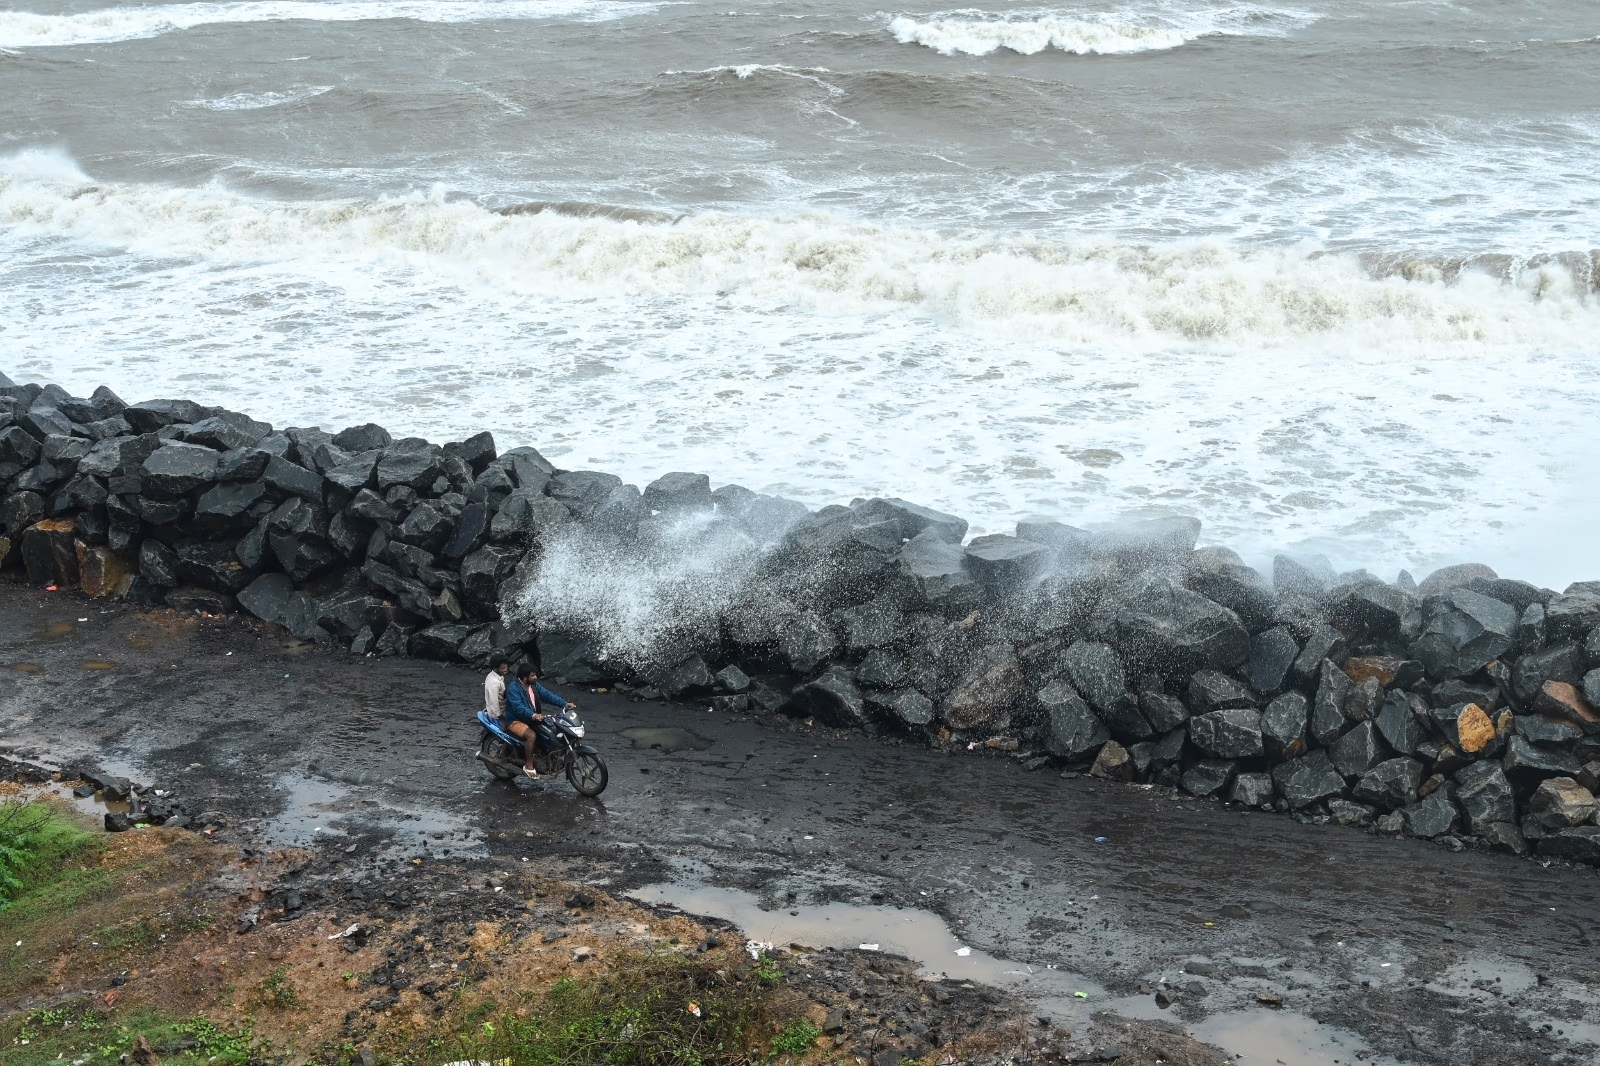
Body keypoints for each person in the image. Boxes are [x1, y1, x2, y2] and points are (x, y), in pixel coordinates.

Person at [503, 664, 577, 779]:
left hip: (531, 718)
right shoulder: (513, 688)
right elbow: (518, 707)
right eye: (533, 675)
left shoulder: (534, 685)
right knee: (531, 736)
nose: (535, 677)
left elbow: (547, 695)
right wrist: (533, 715)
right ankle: (528, 765)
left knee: (551, 732)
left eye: (535, 675)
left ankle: (544, 756)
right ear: (524, 677)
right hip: (515, 720)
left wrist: (564, 703)